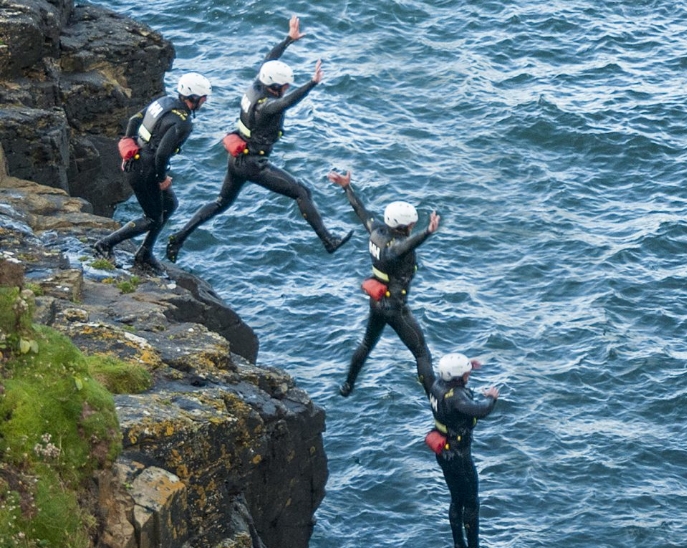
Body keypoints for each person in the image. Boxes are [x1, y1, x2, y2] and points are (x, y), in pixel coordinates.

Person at [164, 16, 351, 263]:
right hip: (254, 164)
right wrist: (312, 83)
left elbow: (269, 61)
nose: (286, 88)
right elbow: (287, 102)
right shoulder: (267, 106)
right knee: (301, 192)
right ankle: (329, 242)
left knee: (220, 202)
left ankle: (178, 238)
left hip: (237, 156)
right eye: (284, 85)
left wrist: (289, 40)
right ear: (275, 87)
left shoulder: (256, 86)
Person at [326, 170, 440, 397]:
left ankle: (347, 385)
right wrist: (427, 232)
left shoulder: (376, 231)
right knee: (422, 354)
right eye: (412, 224)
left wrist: (347, 188)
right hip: (394, 308)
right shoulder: (395, 249)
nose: (412, 228)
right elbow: (404, 247)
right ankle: (436, 405)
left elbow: (361, 211)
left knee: (367, 344)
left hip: (376, 303)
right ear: (404, 226)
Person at [94, 72, 211, 273]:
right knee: (152, 218)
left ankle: (145, 253)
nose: (205, 102)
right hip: (146, 169)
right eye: (204, 98)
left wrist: (129, 144)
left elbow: (134, 119)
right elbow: (162, 155)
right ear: (196, 98)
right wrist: (162, 179)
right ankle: (104, 244)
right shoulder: (183, 123)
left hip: (137, 160)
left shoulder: (165, 101)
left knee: (170, 204)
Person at [426, 353, 500, 548]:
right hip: (459, 456)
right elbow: (481, 410)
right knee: (471, 503)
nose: (468, 373)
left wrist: (467, 367)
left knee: (456, 500)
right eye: (466, 372)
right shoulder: (457, 398)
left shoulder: (436, 385)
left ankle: (459, 547)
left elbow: (449, 373)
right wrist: (491, 398)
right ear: (457, 377)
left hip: (444, 452)